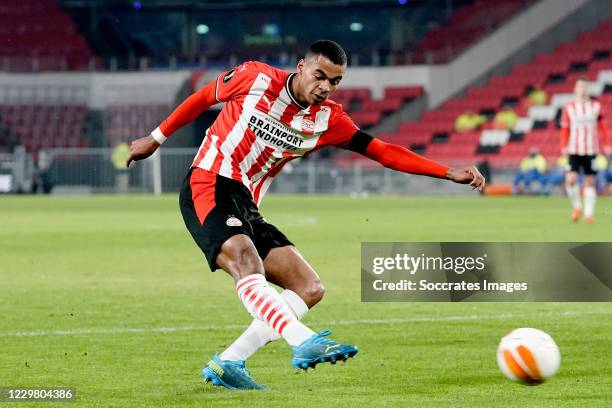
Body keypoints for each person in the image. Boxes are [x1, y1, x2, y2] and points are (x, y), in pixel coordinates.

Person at [126, 40, 485, 390]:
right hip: (209, 181)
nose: (325, 87)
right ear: (301, 66)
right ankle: (303, 340)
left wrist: (445, 171)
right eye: (319, 76)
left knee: (309, 287)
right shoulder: (255, 77)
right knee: (247, 263)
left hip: (247, 203)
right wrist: (155, 138)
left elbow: (382, 151)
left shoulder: (329, 119)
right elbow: (204, 97)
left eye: (334, 81)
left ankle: (230, 361)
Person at [560, 79, 610, 223]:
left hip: (591, 149)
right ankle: (577, 207)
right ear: (575, 89)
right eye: (580, 86)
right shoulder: (569, 107)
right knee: (570, 179)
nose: (582, 89)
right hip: (574, 149)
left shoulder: (595, 106)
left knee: (589, 181)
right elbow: (564, 128)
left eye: (585, 86)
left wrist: (607, 143)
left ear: (588, 89)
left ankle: (588, 214)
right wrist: (563, 145)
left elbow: (603, 126)